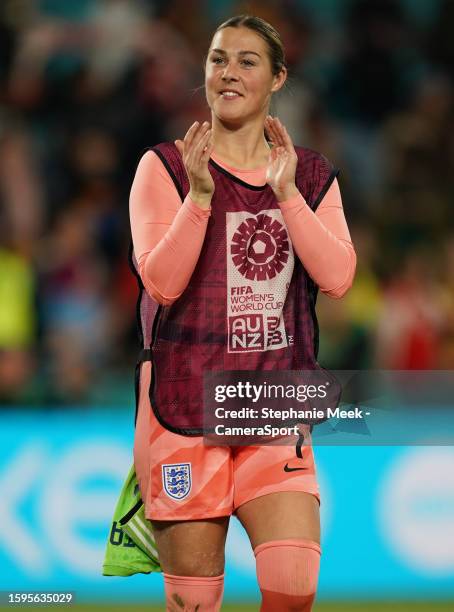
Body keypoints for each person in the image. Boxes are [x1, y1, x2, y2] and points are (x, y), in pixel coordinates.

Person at [129, 14, 356, 612]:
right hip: (182, 401)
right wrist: (200, 199)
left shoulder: (308, 175)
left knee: (293, 586)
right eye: (217, 58)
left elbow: (337, 279)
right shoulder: (166, 168)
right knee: (195, 605)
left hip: (274, 399)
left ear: (278, 78)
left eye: (247, 61)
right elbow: (162, 283)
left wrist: (285, 195)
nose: (228, 72)